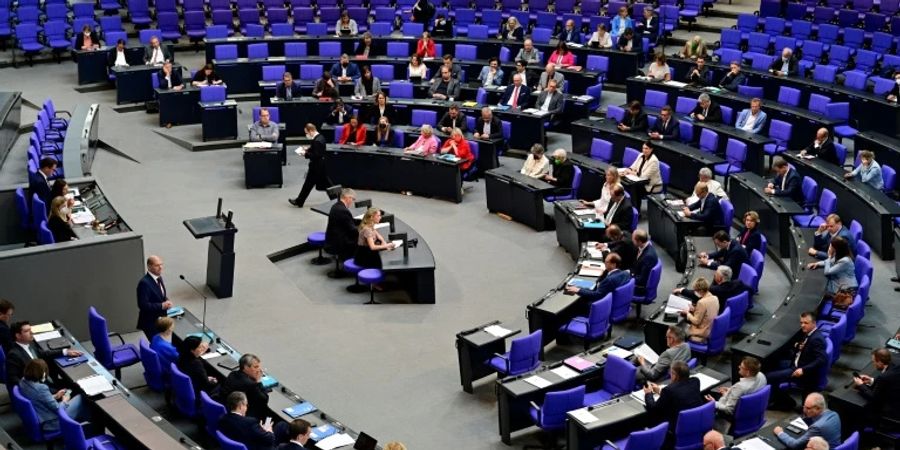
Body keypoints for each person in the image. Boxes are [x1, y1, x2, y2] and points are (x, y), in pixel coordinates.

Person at [766, 312, 829, 407]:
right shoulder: (810, 334)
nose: (802, 325)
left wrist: (803, 369)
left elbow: (822, 360)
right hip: (797, 362)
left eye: (806, 323)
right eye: (801, 322)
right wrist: (799, 346)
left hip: (801, 370)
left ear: (814, 323)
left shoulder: (817, 339)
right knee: (774, 363)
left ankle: (784, 403)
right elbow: (809, 348)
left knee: (769, 377)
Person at [18, 359, 87, 433]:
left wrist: (56, 396)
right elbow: (58, 409)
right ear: (43, 373)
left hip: (41, 415)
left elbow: (37, 398)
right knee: (81, 397)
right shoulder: (41, 388)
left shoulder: (23, 381)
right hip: (53, 422)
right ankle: (85, 428)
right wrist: (65, 401)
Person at [6, 321, 81, 387]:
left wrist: (64, 351)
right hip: (41, 387)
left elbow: (42, 354)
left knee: (76, 383)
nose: (31, 332)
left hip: (47, 379)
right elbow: (12, 378)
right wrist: (32, 389)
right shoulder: (14, 355)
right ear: (18, 336)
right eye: (27, 331)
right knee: (77, 388)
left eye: (30, 330)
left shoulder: (28, 344)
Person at [644, 361, 704, 425]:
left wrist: (648, 394)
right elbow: (679, 395)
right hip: (696, 420)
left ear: (675, 375)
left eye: (671, 373)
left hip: (677, 424)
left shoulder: (669, 390)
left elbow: (654, 409)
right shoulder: (695, 381)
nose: (670, 374)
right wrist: (659, 391)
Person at [773, 393, 842, 449]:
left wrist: (780, 433)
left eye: (808, 408)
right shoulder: (834, 414)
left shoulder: (817, 427)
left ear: (818, 408)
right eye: (804, 406)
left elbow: (795, 445)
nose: (804, 410)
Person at [853, 348, 900, 428]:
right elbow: (889, 382)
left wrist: (861, 385)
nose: (873, 364)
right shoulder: (896, 366)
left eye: (874, 361)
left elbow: (874, 398)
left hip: (893, 415)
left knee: (859, 412)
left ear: (880, 362)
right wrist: (871, 380)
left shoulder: (884, 377)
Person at [289, 123, 330, 207]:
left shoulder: (317, 141)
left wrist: (305, 153)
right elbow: (316, 150)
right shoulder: (319, 137)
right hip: (319, 166)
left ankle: (299, 201)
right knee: (319, 184)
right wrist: (308, 149)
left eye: (306, 133)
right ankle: (299, 201)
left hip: (316, 166)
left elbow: (316, 155)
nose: (306, 135)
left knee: (320, 185)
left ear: (311, 131)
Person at [219, 354, 270, 421]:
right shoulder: (250, 384)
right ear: (246, 367)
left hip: (227, 406)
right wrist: (258, 381)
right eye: (256, 367)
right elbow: (264, 400)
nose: (259, 370)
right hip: (242, 416)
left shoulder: (233, 374)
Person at [675, 266, 748, 312]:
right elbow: (751, 289)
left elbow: (697, 294)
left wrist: (682, 290)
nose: (714, 275)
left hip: (718, 314)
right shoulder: (738, 282)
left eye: (715, 274)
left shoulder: (715, 290)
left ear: (719, 278)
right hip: (735, 311)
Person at [136, 255, 175, 338]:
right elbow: (143, 305)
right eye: (157, 265)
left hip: (160, 319)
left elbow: (160, 295)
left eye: (161, 264)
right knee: (157, 345)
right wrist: (162, 306)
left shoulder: (158, 277)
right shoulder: (144, 283)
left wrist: (167, 301)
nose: (160, 267)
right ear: (149, 267)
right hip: (150, 322)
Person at [565, 253, 631, 299]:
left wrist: (578, 290)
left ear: (613, 264)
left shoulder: (609, 280)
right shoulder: (625, 273)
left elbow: (596, 295)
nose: (604, 264)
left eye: (606, 262)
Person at [625, 141, 663, 210]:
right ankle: (630, 207)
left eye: (646, 148)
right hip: (641, 181)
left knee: (635, 187)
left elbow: (644, 176)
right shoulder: (641, 155)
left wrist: (633, 172)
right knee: (629, 184)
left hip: (652, 185)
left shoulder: (654, 161)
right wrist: (628, 170)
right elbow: (634, 166)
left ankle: (636, 211)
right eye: (643, 148)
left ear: (651, 149)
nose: (644, 150)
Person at [325, 188, 359, 264]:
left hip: (332, 239)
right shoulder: (343, 211)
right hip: (339, 243)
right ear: (348, 197)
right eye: (353, 199)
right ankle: (360, 262)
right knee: (364, 239)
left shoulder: (336, 206)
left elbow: (348, 223)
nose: (352, 202)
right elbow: (353, 230)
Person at [681, 277, 720, 342]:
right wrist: (695, 309)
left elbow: (696, 321)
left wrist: (687, 313)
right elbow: (707, 313)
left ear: (701, 291)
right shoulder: (715, 298)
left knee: (679, 329)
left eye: (695, 290)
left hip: (702, 333)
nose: (694, 292)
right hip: (711, 329)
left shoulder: (701, 302)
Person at [632, 229, 660, 297]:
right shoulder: (646, 246)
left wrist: (627, 277)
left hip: (640, 288)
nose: (632, 241)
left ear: (639, 241)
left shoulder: (648, 257)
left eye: (633, 239)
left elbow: (642, 280)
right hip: (636, 276)